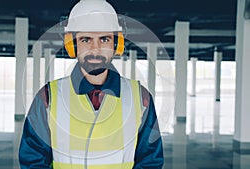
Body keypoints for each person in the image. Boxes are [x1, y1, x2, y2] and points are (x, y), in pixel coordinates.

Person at [19, 0, 164, 168]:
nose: (95, 49)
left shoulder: (141, 98)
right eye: (86, 40)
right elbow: (33, 160)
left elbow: (150, 162)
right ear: (72, 45)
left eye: (104, 39)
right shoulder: (47, 98)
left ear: (117, 44)